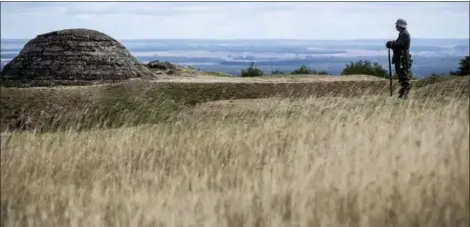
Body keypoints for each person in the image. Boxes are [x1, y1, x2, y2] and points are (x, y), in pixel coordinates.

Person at [386, 19, 412, 99]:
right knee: (401, 74)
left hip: (402, 58)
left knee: (403, 75)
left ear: (400, 25)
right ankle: (403, 94)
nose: (396, 26)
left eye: (397, 25)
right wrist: (393, 43)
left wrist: (392, 44)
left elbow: (400, 44)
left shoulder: (405, 34)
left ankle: (404, 93)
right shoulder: (402, 34)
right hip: (400, 57)